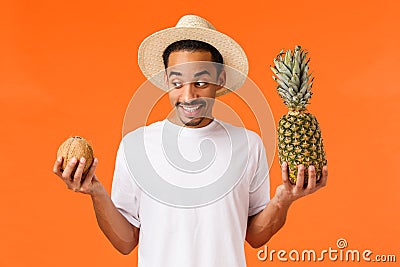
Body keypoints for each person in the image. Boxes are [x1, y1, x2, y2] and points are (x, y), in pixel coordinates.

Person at [53, 15, 328, 267]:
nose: (188, 96)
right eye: (177, 83)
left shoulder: (249, 144)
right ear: (165, 81)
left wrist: (282, 200)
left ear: (220, 80)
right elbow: (126, 242)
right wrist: (96, 192)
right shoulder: (135, 145)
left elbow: (255, 237)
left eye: (200, 82)